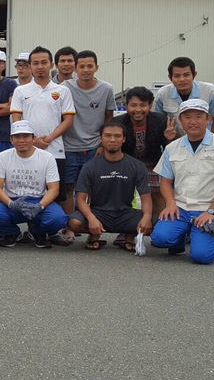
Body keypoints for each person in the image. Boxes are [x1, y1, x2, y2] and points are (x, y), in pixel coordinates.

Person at [150, 99, 214, 264]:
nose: (193, 122)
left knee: (201, 257)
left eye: (198, 116)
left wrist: (211, 211)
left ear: (208, 119)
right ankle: (182, 237)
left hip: (208, 208)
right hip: (180, 208)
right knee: (160, 238)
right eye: (187, 117)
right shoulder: (172, 147)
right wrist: (170, 203)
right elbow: (166, 181)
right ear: (181, 120)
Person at [67, 121, 153, 251]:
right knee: (74, 222)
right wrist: (91, 218)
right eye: (108, 135)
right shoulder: (90, 166)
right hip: (98, 214)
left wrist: (146, 217)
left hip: (126, 215)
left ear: (123, 139)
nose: (112, 139)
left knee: (155, 223)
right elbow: (80, 199)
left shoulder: (137, 166)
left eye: (117, 136)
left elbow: (145, 197)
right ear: (100, 139)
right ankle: (94, 235)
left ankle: (129, 237)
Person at [0, 120, 69, 249]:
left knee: (58, 218)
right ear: (11, 139)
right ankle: (12, 233)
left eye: (25, 136)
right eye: (17, 137)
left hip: (38, 199)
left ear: (33, 138)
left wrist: (40, 206)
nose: (21, 140)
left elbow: (54, 189)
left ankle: (37, 232)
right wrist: (11, 204)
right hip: (12, 199)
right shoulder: (2, 157)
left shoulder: (47, 157)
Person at [10, 46, 75, 207]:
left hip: (55, 150)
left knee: (58, 194)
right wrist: (32, 141)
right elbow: (16, 120)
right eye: (35, 63)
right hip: (28, 150)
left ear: (51, 65)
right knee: (31, 192)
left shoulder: (63, 90)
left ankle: (59, 222)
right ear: (30, 66)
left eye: (44, 62)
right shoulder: (20, 91)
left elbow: (68, 120)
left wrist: (49, 139)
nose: (40, 67)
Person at [61, 50, 116, 219]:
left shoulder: (106, 89)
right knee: (68, 187)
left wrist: (102, 144)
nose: (86, 70)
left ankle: (92, 223)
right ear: (75, 69)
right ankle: (70, 225)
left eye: (90, 66)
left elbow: (109, 118)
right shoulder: (65, 88)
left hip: (94, 147)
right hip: (68, 147)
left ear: (96, 67)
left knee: (93, 188)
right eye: (82, 66)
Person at [113, 86, 176, 219]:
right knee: (124, 193)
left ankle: (158, 222)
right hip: (126, 161)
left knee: (157, 192)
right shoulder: (118, 122)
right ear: (126, 106)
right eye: (133, 105)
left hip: (152, 160)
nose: (138, 110)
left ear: (150, 106)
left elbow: (168, 149)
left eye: (143, 105)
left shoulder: (160, 120)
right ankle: (125, 225)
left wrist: (169, 139)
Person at [153, 56, 214, 137]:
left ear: (194, 75)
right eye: (177, 76)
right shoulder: (162, 94)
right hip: (174, 141)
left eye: (186, 75)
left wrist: (213, 142)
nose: (182, 79)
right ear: (170, 77)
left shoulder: (211, 91)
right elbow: (156, 121)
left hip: (204, 140)